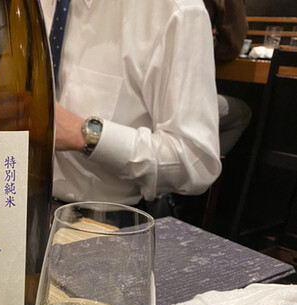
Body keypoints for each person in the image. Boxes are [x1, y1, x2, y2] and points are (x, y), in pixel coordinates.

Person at [40, 0, 222, 212]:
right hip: (18, 197)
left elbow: (196, 162)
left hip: (104, 218)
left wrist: (85, 135)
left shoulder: (175, 9)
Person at [203, 0, 252, 155]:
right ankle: (201, 167)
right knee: (242, 114)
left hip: (140, 95)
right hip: (179, 97)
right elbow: (231, 45)